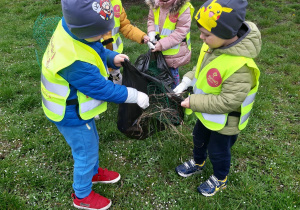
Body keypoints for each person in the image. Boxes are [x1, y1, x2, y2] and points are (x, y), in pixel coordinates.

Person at [41, 0, 149, 209]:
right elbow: (101, 88)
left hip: (75, 108)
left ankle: (93, 172)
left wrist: (111, 57)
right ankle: (82, 195)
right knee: (85, 152)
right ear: (84, 29)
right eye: (99, 33)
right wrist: (133, 95)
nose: (104, 37)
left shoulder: (72, 28)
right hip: (70, 114)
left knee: (92, 141)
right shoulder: (74, 61)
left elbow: (93, 48)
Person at [174, 0, 261, 197]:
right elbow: (201, 70)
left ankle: (220, 178)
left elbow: (227, 101)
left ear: (227, 33)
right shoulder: (213, 46)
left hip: (225, 121)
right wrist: (186, 81)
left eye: (206, 34)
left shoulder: (240, 67)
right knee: (198, 138)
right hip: (207, 114)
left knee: (218, 151)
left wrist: (192, 102)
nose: (201, 37)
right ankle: (198, 162)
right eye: (201, 32)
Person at [145, 0, 194, 89]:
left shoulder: (182, 8)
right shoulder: (155, 4)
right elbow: (151, 20)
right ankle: (162, 91)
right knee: (159, 71)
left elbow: (180, 32)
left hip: (173, 53)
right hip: (157, 47)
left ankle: (174, 94)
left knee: (172, 74)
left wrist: (161, 44)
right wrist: (151, 33)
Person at [100, 0, 150, 85]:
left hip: (115, 57)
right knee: (100, 86)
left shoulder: (116, 3)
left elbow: (125, 26)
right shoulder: (90, 4)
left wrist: (141, 36)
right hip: (97, 57)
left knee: (117, 83)